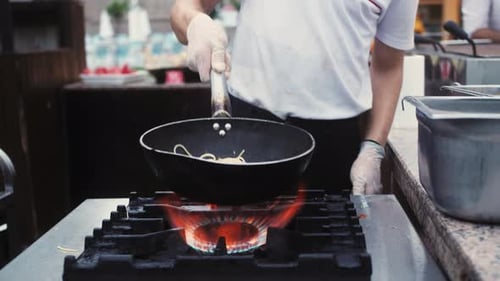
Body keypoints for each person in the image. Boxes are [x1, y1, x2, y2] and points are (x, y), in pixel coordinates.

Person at [170, 0, 418, 195]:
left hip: (335, 141)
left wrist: (373, 148)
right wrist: (195, 24)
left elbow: (388, 67)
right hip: (249, 130)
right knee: (239, 245)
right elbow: (185, 7)